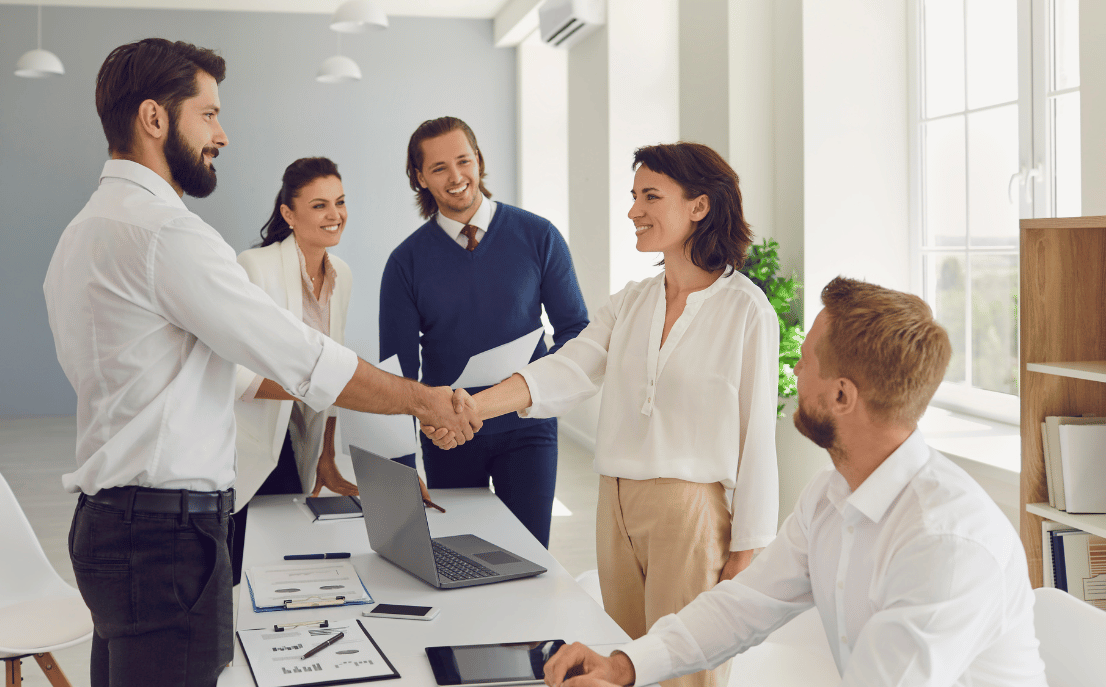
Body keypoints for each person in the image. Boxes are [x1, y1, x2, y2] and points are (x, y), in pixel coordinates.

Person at [44, 38, 479, 687]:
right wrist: (426, 400)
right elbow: (302, 358)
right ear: (154, 118)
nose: (222, 133)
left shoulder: (86, 230)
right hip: (164, 537)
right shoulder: (168, 236)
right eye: (209, 114)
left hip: (109, 525)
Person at [540, 277, 1048, 687]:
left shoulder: (945, 545)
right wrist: (625, 665)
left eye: (807, 359)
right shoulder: (831, 497)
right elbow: (742, 607)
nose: (795, 368)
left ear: (843, 396)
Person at [441, 142, 779, 687]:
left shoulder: (747, 311)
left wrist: (747, 551)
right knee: (621, 663)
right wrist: (472, 407)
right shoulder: (633, 300)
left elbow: (758, 436)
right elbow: (567, 368)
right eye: (633, 196)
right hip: (615, 503)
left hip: (688, 512)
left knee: (684, 673)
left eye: (651, 196)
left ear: (699, 206)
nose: (633, 211)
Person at [380, 116, 589, 548]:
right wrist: (402, 467)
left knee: (529, 557)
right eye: (439, 168)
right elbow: (397, 375)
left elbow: (575, 333)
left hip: (527, 428)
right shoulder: (406, 263)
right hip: (449, 435)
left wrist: (539, 391)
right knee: (460, 555)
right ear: (420, 178)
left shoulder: (539, 236)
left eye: (464, 160)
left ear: (479, 161)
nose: (456, 177)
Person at [230, 157, 439, 585]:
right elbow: (238, 375)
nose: (335, 215)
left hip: (300, 438)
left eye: (340, 202)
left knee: (285, 554)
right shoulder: (255, 266)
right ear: (288, 214)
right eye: (320, 205)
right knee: (247, 556)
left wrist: (326, 458)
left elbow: (333, 361)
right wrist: (320, 389)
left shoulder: (340, 273)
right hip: (253, 440)